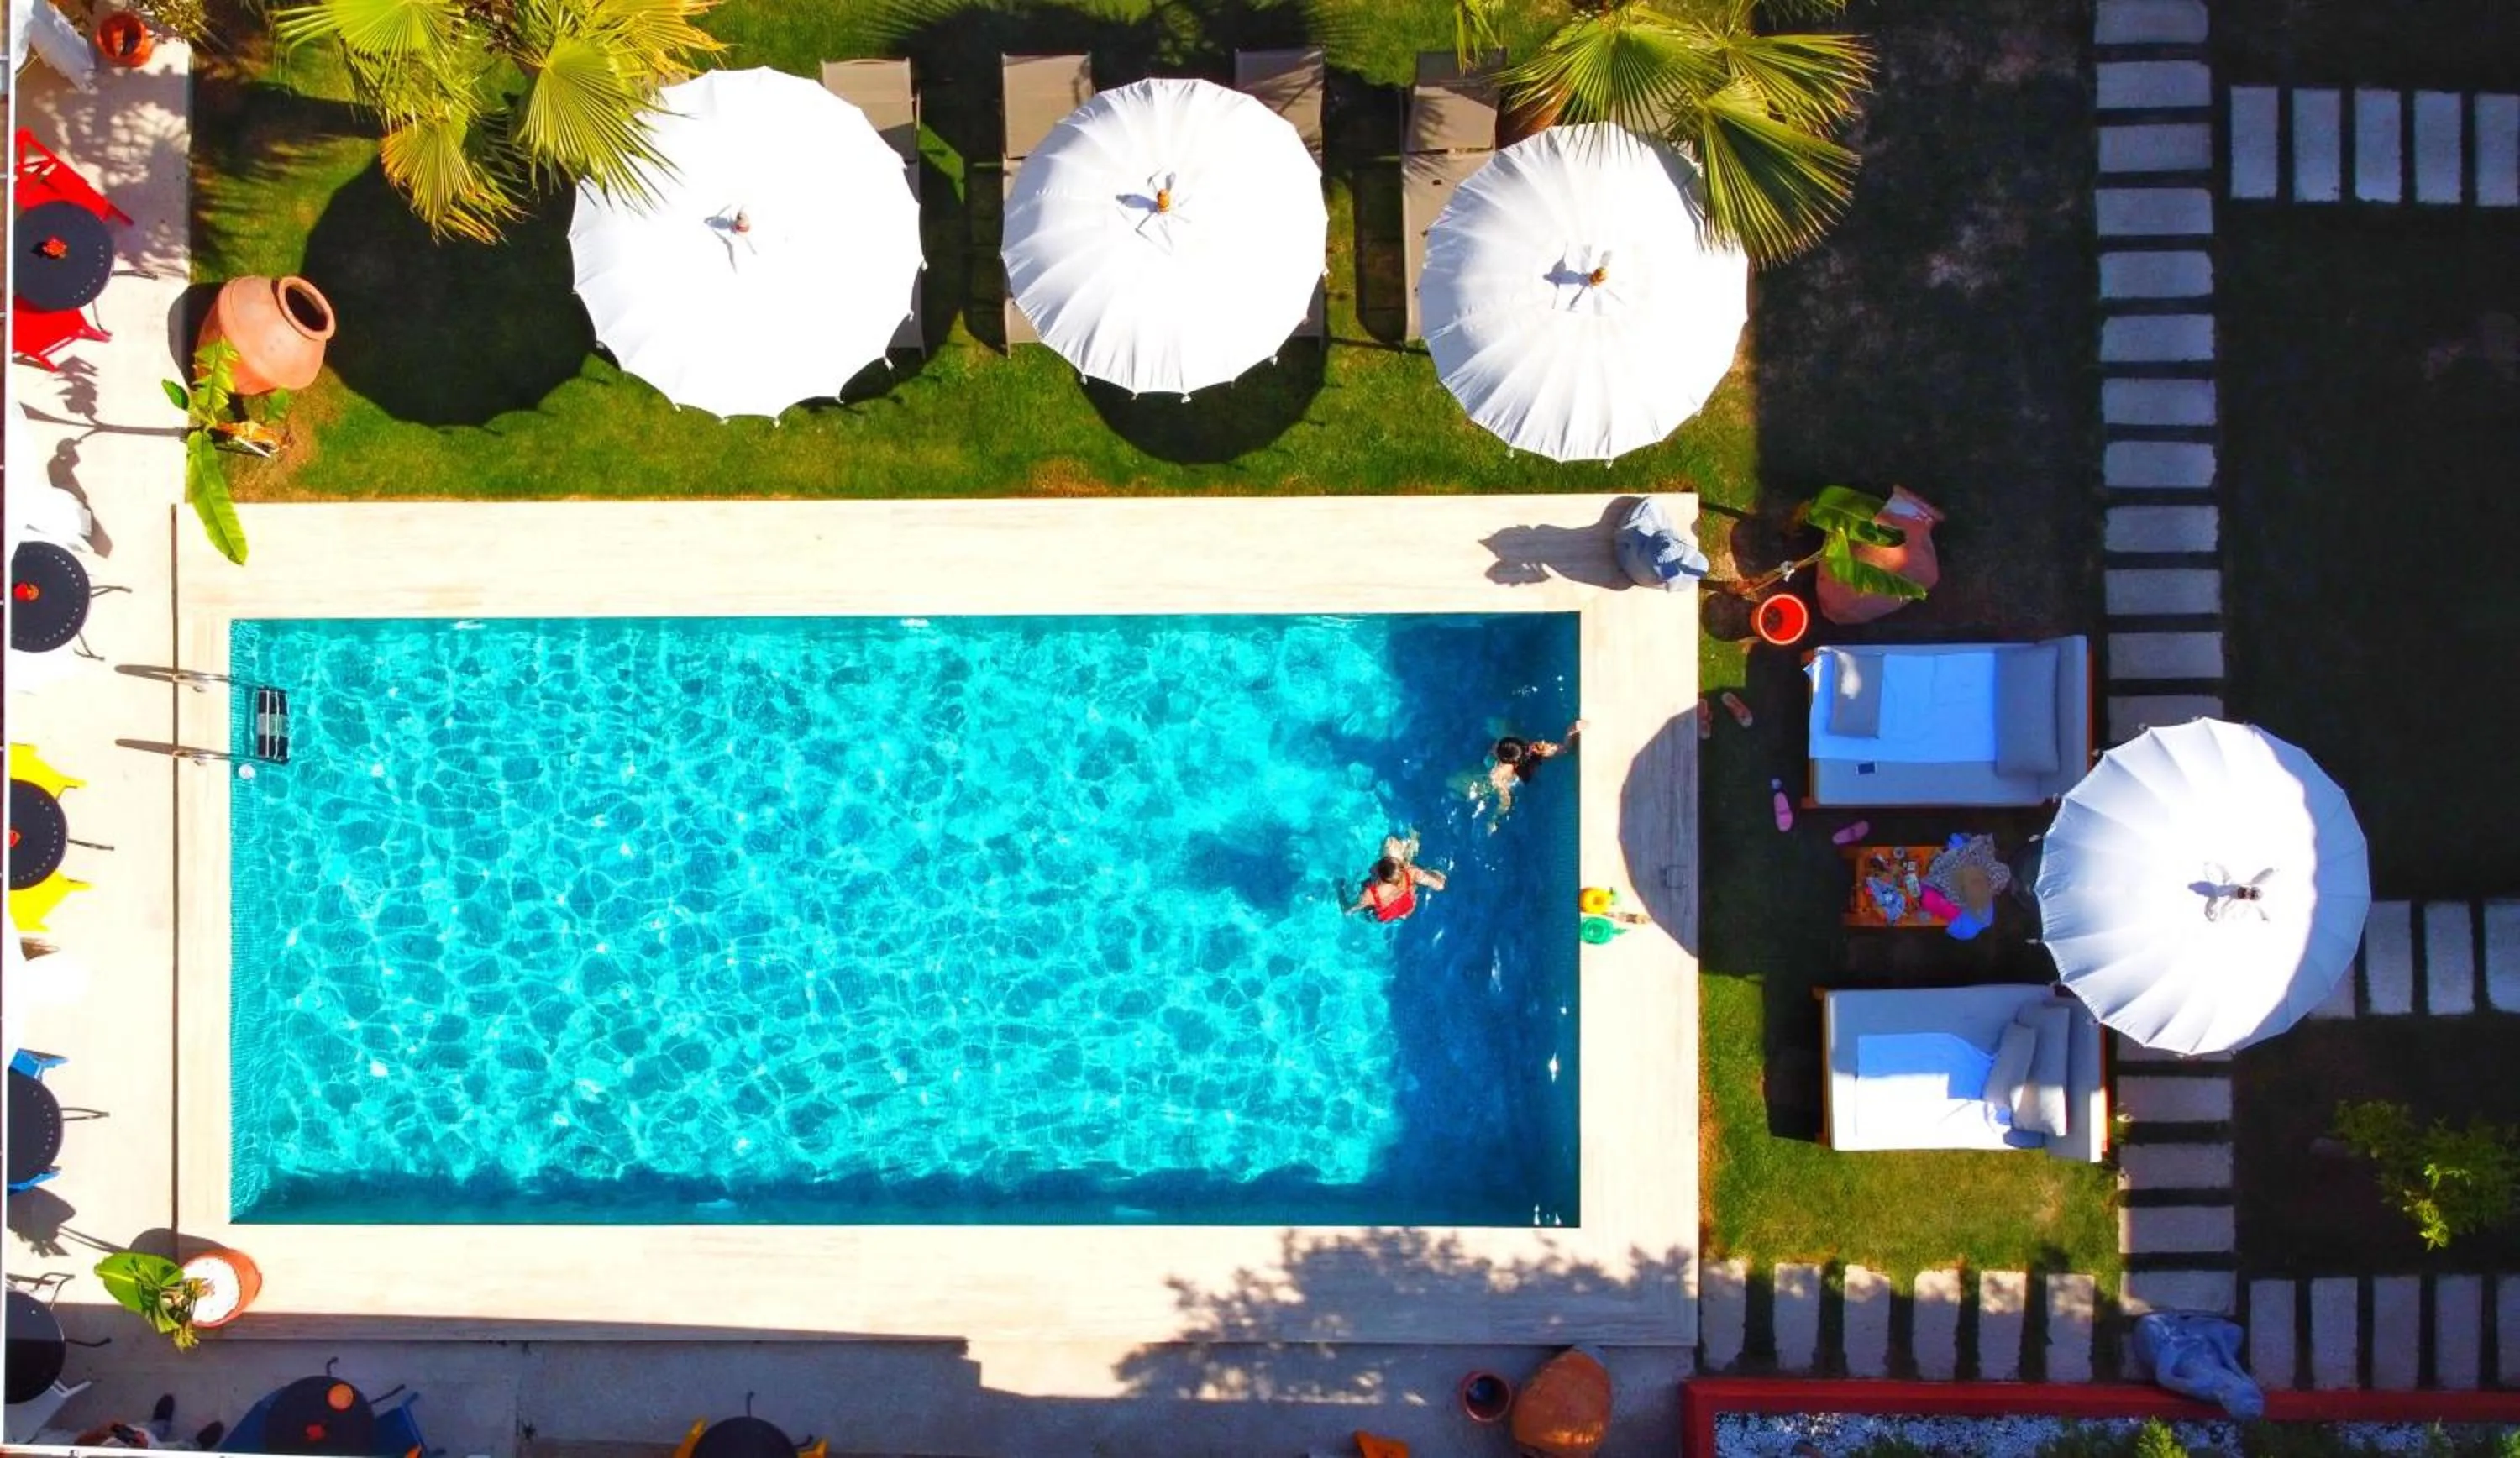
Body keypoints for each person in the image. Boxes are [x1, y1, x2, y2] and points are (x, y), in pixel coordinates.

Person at [1483, 719, 1586, 816]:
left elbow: (1505, 802)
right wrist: (1571, 730)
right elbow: (1565, 749)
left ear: (1504, 760)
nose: (1495, 747)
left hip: (1517, 779)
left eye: (1497, 748)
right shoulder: (1535, 748)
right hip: (1524, 769)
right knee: (1493, 722)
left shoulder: (1498, 773)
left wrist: (1494, 816)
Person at [1347, 833, 1446, 922]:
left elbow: (1348, 911)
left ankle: (1407, 848)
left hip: (1386, 911)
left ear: (1379, 877)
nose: (1372, 868)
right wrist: (1433, 874)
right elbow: (1439, 885)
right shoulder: (1411, 872)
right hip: (1406, 908)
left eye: (1376, 867)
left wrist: (1339, 889)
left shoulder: (1369, 895)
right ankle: (1409, 848)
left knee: (1364, 892)